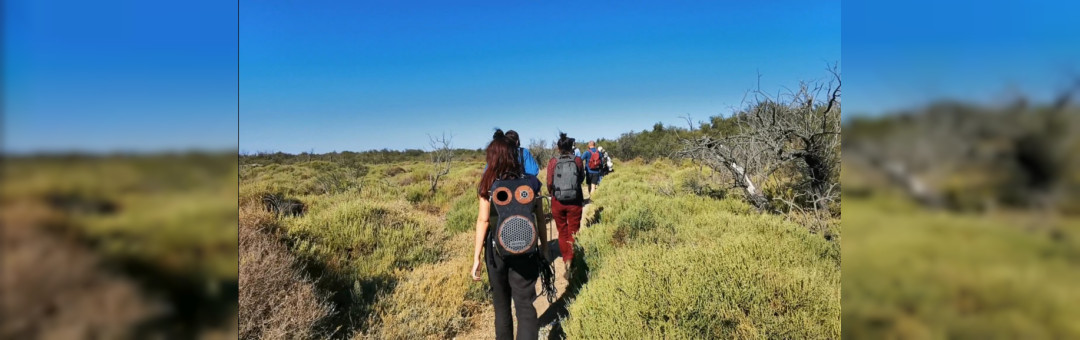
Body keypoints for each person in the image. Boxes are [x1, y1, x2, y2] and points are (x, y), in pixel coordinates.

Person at [471, 129, 549, 340]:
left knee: (501, 305)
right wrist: (544, 248)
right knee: (525, 305)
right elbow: (540, 219)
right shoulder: (532, 183)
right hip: (526, 249)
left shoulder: (488, 184)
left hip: (496, 251)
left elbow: (483, 220)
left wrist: (477, 257)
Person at [546, 133, 585, 279]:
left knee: (562, 231)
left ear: (558, 147)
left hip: (558, 201)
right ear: (571, 147)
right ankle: (571, 259)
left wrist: (553, 193)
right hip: (575, 201)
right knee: (573, 231)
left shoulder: (553, 162)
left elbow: (549, 182)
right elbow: (581, 178)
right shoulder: (578, 160)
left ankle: (566, 259)